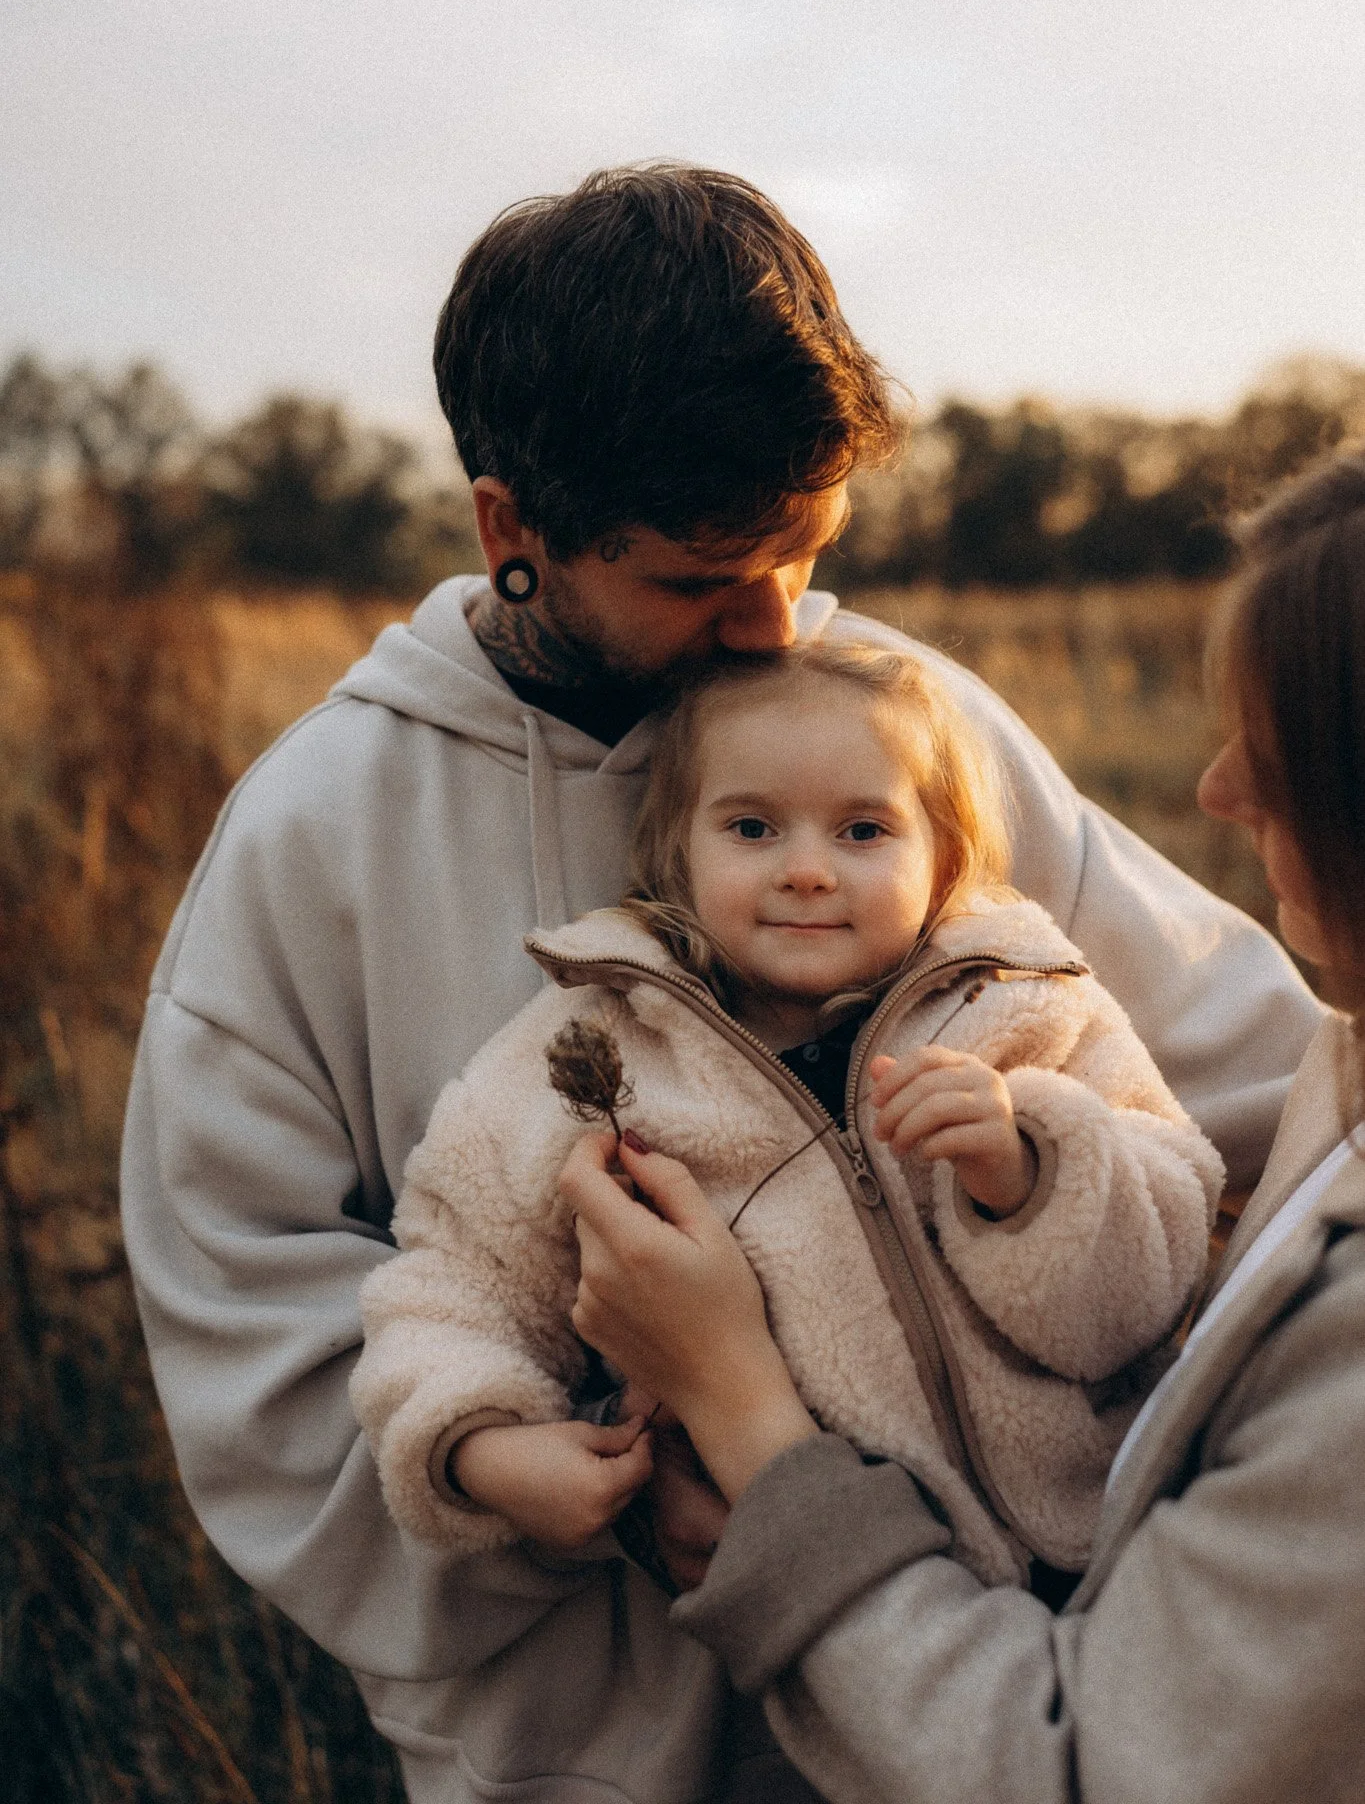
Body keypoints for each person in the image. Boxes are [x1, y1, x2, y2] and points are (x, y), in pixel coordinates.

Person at [120, 163, 1323, 1804]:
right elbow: (243, 1322)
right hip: (586, 1744)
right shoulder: (317, 834)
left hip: (984, 1694)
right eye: (697, 576)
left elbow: (1257, 1087)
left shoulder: (904, 729)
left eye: (803, 552)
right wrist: (582, 1504)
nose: (771, 629)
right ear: (511, 531)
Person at [560, 446, 1365, 1804]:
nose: (1219, 789)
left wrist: (747, 1422)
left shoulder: (1031, 999)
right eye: (749, 825)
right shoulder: (1338, 1068)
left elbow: (1076, 1772)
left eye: (1280, 756)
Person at [352, 642, 1222, 1599]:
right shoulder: (593, 1055)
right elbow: (450, 1281)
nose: (807, 871)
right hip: (830, 1599)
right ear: (673, 849)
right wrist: (480, 1449)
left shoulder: (1024, 1006)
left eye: (861, 832)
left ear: (943, 855)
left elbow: (1161, 1270)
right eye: (754, 828)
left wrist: (1026, 1171)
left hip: (1130, 1541)